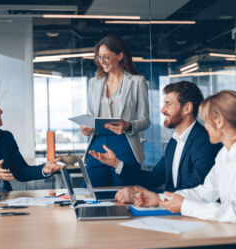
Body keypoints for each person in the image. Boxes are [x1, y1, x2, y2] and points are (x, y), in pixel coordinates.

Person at [89, 81, 221, 203]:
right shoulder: (174, 142)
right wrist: (116, 163)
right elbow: (154, 178)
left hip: (193, 215)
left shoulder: (205, 142)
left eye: (168, 104)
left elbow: (194, 188)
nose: (162, 110)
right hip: (172, 210)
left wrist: (145, 196)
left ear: (187, 108)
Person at [152, 90, 236, 223]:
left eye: (207, 121)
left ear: (219, 122)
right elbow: (205, 192)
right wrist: (160, 198)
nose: (205, 127)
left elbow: (233, 212)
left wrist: (185, 206)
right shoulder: (223, 154)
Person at [81, 35, 150, 187]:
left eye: (106, 57)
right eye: (99, 57)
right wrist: (86, 127)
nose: (102, 61)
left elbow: (145, 121)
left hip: (125, 144)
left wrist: (128, 125)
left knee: (124, 195)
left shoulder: (137, 82)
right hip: (97, 144)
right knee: (92, 194)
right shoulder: (94, 83)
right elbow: (90, 116)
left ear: (120, 56)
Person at [0, 90, 62, 192]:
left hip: (5, 200)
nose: (0, 111)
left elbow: (20, 171)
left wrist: (44, 169)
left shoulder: (5, 137)